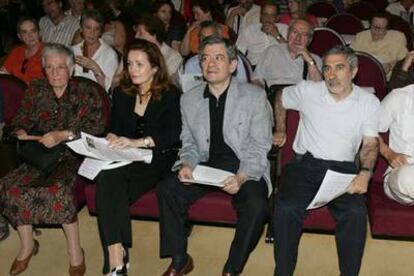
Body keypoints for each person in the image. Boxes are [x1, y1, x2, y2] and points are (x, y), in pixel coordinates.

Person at [157, 36, 273, 276]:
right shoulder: (189, 99)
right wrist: (187, 164)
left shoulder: (254, 97)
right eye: (205, 58)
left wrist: (241, 177)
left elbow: (260, 146)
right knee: (168, 189)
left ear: (232, 65)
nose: (210, 64)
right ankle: (180, 259)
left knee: (256, 203)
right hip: (206, 165)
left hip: (243, 165)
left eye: (218, 58)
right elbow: (188, 143)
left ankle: (232, 267)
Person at [272, 45, 380, 276]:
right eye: (328, 68)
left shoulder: (368, 102)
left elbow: (370, 144)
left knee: (355, 214)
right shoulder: (308, 91)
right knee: (287, 208)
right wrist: (281, 127)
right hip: (304, 165)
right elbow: (280, 96)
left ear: (353, 71)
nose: (332, 74)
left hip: (343, 170)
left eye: (339, 68)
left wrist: (365, 173)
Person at [0, 43, 105, 276]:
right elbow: (19, 119)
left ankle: (75, 251)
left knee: (58, 189)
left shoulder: (85, 92)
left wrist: (63, 135)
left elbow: (97, 129)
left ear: (71, 69)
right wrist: (19, 132)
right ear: (44, 70)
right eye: (50, 68)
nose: (55, 73)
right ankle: (27, 246)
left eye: (60, 67)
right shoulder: (36, 90)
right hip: (40, 156)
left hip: (73, 156)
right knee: (10, 186)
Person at [95, 38, 181, 275]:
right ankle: (116, 256)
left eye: (139, 64)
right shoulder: (123, 93)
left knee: (109, 187)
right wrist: (111, 136)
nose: (132, 69)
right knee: (109, 179)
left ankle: (116, 257)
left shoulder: (171, 94)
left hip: (157, 159)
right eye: (129, 63)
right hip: (127, 157)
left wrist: (139, 142)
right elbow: (113, 126)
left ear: (154, 67)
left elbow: (174, 134)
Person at [253, 18, 322, 87]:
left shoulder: (315, 60)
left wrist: (310, 61)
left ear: (309, 40)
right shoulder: (272, 51)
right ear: (288, 34)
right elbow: (256, 79)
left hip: (300, 96)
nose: (298, 38)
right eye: (295, 32)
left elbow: (318, 88)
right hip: (274, 94)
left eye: (303, 34)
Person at [379, 84, 414, 205]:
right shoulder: (399, 97)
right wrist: (388, 153)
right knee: (408, 177)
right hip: (402, 171)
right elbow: (368, 129)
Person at [184, 20, 249, 83]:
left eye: (210, 37)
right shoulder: (192, 64)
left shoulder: (232, 59)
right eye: (203, 38)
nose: (206, 41)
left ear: (219, 38)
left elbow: (243, 86)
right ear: (199, 40)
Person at [72, 9, 119, 92]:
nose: (92, 33)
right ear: (81, 29)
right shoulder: (73, 51)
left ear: (100, 32)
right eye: (88, 28)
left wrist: (96, 69)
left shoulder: (110, 54)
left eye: (96, 29)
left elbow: (111, 91)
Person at [236, 2, 288, 67]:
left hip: (277, 69)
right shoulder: (249, 31)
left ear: (277, 18)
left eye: (272, 15)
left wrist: (277, 36)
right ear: (261, 16)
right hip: (254, 67)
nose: (268, 18)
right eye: (265, 14)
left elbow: (291, 53)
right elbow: (237, 55)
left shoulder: (285, 29)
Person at [0, 17, 44, 84]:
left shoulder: (49, 52)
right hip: (14, 90)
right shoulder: (17, 51)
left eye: (33, 31)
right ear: (20, 37)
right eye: (25, 32)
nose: (30, 36)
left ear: (39, 32)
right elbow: (4, 72)